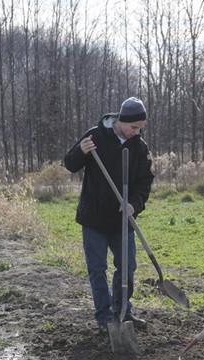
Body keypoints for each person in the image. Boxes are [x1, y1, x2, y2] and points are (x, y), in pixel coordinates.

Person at [64, 97, 154, 332]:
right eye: (133, 127)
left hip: (123, 220)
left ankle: (123, 311)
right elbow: (70, 164)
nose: (136, 132)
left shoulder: (139, 147)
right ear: (122, 121)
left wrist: (134, 204)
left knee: (127, 267)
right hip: (94, 217)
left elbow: (145, 183)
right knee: (97, 269)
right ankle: (104, 317)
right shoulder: (96, 136)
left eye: (140, 128)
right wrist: (80, 151)